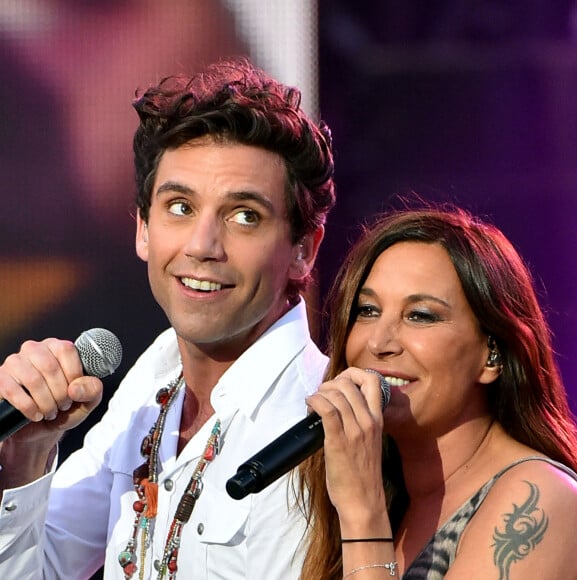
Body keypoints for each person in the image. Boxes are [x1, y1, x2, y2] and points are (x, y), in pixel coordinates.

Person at [0, 56, 335, 579]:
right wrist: (26, 455)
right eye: (180, 207)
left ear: (303, 250)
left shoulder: (314, 423)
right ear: (142, 229)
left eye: (244, 215)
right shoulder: (151, 382)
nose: (203, 246)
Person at [298, 203, 577, 579]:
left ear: (491, 357)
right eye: (367, 310)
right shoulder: (397, 499)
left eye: (421, 315)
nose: (379, 342)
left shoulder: (540, 499)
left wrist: (362, 514)